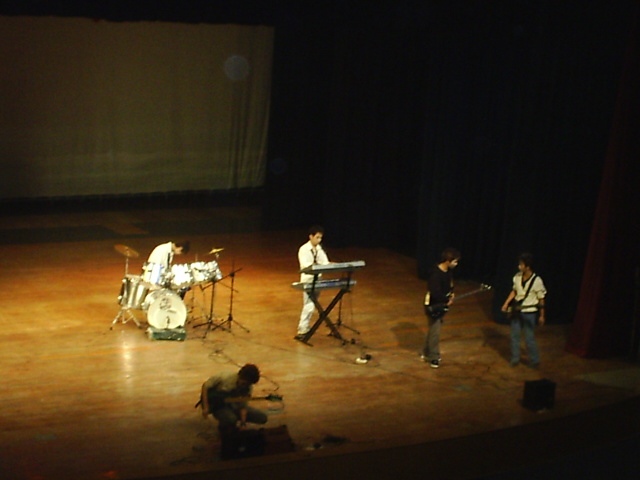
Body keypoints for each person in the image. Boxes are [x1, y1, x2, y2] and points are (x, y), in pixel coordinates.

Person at [501, 253, 546, 368]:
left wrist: (542, 315)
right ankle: (515, 359)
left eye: (521, 265)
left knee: (529, 337)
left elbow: (541, 299)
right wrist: (506, 303)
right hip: (517, 311)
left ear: (527, 266)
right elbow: (514, 291)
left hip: (529, 312)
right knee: (514, 336)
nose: (519, 266)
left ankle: (534, 360)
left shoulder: (537, 281)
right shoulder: (517, 277)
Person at [199, 364, 268, 436]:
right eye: (244, 383)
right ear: (240, 376)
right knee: (231, 419)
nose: (245, 385)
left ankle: (230, 419)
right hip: (218, 405)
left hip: (233, 405)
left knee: (262, 418)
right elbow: (205, 386)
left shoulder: (248, 388)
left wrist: (243, 423)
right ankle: (225, 424)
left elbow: (243, 406)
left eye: (248, 384)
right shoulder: (224, 377)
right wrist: (206, 407)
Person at [421, 247, 461, 368]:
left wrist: (451, 293)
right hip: (433, 305)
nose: (456, 264)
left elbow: (450, 284)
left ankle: (426, 352)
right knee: (435, 331)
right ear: (448, 260)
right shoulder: (435, 274)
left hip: (442, 303)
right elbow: (435, 292)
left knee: (433, 330)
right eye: (455, 261)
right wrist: (446, 300)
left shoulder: (448, 271)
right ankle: (434, 356)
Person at [295, 226, 330, 340]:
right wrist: (317, 265)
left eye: (320, 238)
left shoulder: (319, 249)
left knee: (312, 304)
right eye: (317, 237)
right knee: (309, 304)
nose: (319, 240)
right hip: (308, 279)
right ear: (311, 236)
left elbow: (325, 262)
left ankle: (305, 327)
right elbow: (305, 265)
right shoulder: (304, 249)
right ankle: (302, 328)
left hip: (318, 278)